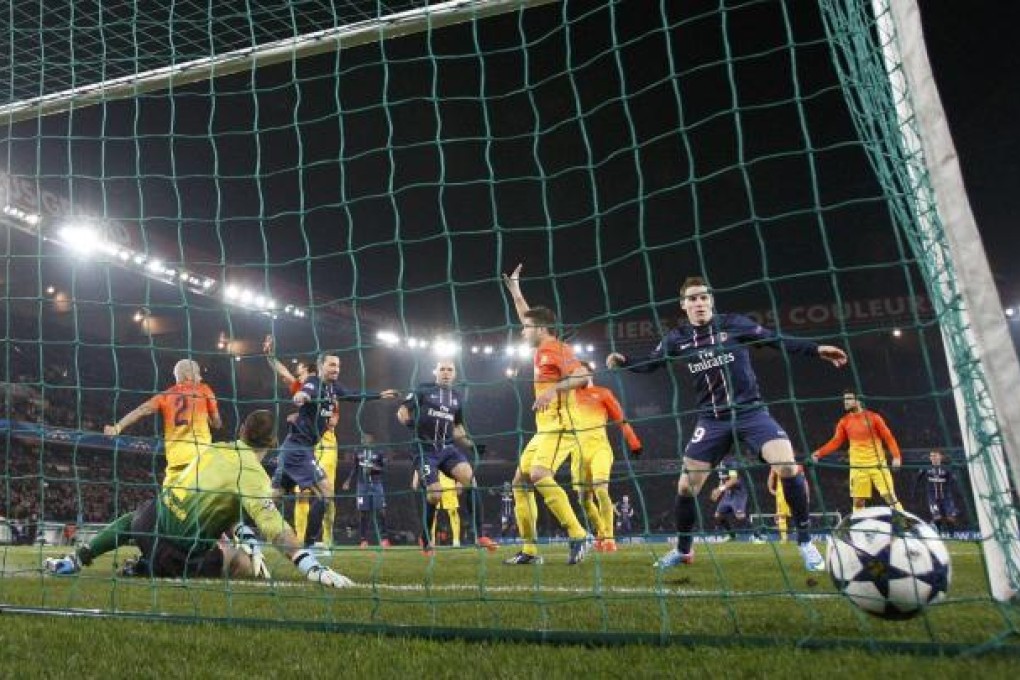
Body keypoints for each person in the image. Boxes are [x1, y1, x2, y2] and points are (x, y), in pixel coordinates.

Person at [606, 276, 847, 572]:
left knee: (786, 465)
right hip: (712, 420)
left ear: (711, 301)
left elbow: (775, 340)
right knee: (686, 487)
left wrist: (815, 349)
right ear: (683, 305)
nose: (699, 303)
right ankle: (683, 550)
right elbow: (651, 362)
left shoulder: (734, 324)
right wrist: (624, 361)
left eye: (704, 297)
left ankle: (806, 542)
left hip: (750, 412)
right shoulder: (677, 338)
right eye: (692, 299)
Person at [45, 410, 353, 588]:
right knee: (243, 563)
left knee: (139, 515)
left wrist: (240, 528)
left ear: (241, 430)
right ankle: (150, 567)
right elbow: (276, 528)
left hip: (149, 521)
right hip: (177, 550)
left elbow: (215, 501)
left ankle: (75, 559)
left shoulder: (216, 449)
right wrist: (310, 565)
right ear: (271, 444)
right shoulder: (252, 472)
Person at [502, 263, 595, 566]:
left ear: (540, 329)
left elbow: (582, 376)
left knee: (540, 475)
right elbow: (525, 314)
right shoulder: (539, 349)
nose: (522, 330)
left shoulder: (557, 349)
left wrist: (553, 390)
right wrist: (515, 290)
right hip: (544, 429)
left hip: (562, 426)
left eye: (526, 328)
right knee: (519, 482)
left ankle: (579, 534)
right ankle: (529, 550)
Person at [273, 351, 399, 552]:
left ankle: (240, 524)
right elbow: (307, 392)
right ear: (321, 366)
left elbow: (353, 395)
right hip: (298, 450)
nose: (336, 369)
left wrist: (379, 395)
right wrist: (301, 396)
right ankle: (308, 544)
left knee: (274, 497)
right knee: (325, 493)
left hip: (298, 449)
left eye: (338, 366)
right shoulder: (314, 382)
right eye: (332, 365)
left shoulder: (333, 388)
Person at [397, 360, 497, 555]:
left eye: (449, 370)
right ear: (435, 372)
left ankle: (480, 535)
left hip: (448, 449)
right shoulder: (423, 390)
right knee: (435, 494)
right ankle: (426, 539)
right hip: (425, 450)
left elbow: (457, 428)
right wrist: (411, 425)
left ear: (455, 374)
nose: (445, 373)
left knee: (471, 481)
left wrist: (471, 445)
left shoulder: (457, 398)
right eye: (442, 369)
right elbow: (402, 411)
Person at [263, 337, 343, 546]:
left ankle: (324, 539)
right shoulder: (306, 387)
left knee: (323, 494)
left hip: (324, 445)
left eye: (302, 373)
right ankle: (305, 539)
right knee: (301, 495)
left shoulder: (328, 391)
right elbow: (284, 374)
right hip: (300, 446)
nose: (299, 377)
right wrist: (270, 357)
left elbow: (333, 420)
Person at [104, 358, 222, 485]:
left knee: (171, 500)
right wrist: (209, 418)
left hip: (176, 459)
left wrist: (118, 427)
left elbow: (141, 410)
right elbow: (217, 424)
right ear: (188, 375)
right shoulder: (204, 390)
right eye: (197, 373)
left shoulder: (165, 395)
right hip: (200, 456)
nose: (200, 378)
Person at [569, 365, 643, 553]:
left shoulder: (603, 393)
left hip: (599, 449)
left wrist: (634, 442)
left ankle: (609, 539)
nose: (577, 376)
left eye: (580, 372)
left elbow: (620, 419)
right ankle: (601, 532)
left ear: (590, 373)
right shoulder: (568, 396)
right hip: (577, 453)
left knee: (601, 489)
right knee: (583, 500)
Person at [810, 389, 903, 511]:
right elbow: (836, 441)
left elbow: (888, 437)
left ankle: (903, 525)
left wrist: (896, 456)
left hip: (878, 465)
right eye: (844, 399)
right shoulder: (844, 421)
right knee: (858, 502)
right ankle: (858, 528)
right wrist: (819, 453)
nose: (845, 402)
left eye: (848, 399)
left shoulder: (874, 418)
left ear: (858, 400)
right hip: (857, 467)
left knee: (889, 496)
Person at [341, 432, 391, 548]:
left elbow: (384, 468)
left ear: (372, 439)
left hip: (376, 484)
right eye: (362, 438)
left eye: (366, 437)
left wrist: (374, 468)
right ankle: (363, 540)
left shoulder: (379, 451)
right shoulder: (357, 451)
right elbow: (355, 467)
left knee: (381, 511)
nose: (364, 439)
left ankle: (384, 539)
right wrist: (348, 480)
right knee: (363, 513)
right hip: (362, 485)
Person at [710, 453, 760, 542]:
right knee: (718, 516)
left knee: (740, 516)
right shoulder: (717, 464)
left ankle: (757, 537)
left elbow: (734, 479)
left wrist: (720, 489)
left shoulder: (730, 462)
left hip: (738, 492)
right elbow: (723, 479)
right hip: (728, 493)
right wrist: (719, 490)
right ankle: (732, 536)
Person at [915, 449, 960, 536]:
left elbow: (954, 480)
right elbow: (917, 480)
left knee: (950, 518)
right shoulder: (926, 469)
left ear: (940, 457)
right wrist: (914, 492)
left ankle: (952, 535)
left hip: (946, 497)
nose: (933, 458)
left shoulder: (946, 468)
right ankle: (939, 535)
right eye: (931, 456)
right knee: (937, 517)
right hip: (933, 498)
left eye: (935, 456)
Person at [767, 463, 808, 542]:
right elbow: (804, 481)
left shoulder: (777, 464)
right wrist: (806, 494)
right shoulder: (797, 464)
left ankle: (785, 538)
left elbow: (771, 476)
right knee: (796, 514)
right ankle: (800, 536)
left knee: (782, 515)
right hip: (794, 492)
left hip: (783, 492)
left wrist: (770, 489)